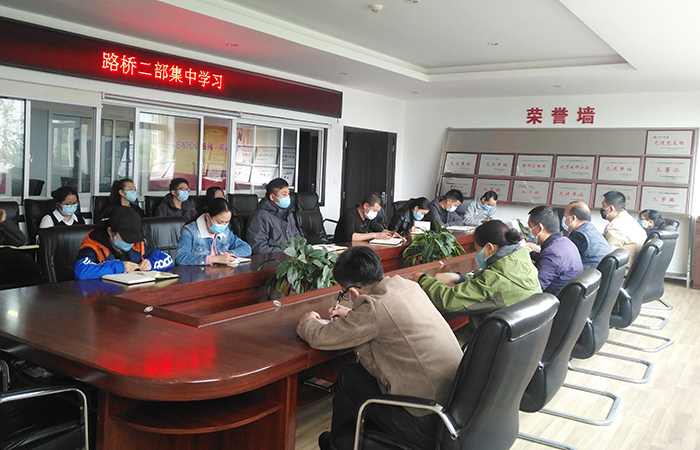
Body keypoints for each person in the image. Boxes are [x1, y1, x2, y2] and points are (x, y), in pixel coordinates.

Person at [297, 247, 462, 450]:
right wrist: (353, 314)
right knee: (354, 374)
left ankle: (340, 443)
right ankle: (344, 441)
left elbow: (320, 337)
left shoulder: (373, 309)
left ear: (353, 292)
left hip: (421, 421)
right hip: (450, 411)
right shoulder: (407, 286)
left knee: (349, 377)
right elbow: (386, 315)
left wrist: (307, 321)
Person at [409, 220, 541, 345]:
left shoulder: (495, 279)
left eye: (477, 249)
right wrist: (459, 277)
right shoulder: (523, 263)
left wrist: (422, 279)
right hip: (518, 342)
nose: (477, 253)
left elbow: (448, 301)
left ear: (489, 248)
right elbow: (489, 283)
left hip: (488, 345)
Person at [74, 206, 173, 280]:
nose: (130, 242)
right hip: (103, 294)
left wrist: (151, 263)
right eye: (125, 237)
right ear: (110, 232)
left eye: (133, 237)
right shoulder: (93, 245)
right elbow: (81, 271)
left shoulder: (137, 244)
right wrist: (119, 267)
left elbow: (167, 259)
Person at [176, 198, 251, 265]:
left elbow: (246, 248)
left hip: (222, 273)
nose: (223, 226)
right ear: (208, 217)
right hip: (198, 274)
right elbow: (181, 258)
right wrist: (214, 259)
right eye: (219, 222)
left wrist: (227, 255)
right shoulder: (190, 231)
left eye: (226, 222)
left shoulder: (225, 231)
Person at [527, 205, 583, 294]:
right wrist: (532, 253)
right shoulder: (566, 242)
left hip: (553, 299)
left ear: (540, 228)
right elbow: (548, 260)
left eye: (530, 227)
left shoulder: (552, 253)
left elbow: (534, 289)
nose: (529, 231)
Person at [246, 177, 301, 254]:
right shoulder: (260, 217)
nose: (288, 197)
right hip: (274, 258)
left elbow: (297, 237)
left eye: (288, 194)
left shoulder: (288, 214)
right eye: (284, 194)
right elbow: (258, 248)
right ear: (272, 197)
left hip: (291, 256)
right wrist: (286, 252)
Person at [333, 192, 403, 243]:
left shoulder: (368, 217)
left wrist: (392, 233)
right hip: (343, 248)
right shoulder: (349, 214)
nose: (375, 213)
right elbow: (351, 237)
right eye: (374, 210)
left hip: (358, 247)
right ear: (366, 206)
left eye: (377, 211)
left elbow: (380, 230)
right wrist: (374, 235)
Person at [601, 191, 647, 264]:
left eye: (603, 206)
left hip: (623, 269)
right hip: (631, 266)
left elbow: (608, 258)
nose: (602, 209)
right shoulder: (630, 221)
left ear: (611, 209)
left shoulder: (614, 227)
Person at [563, 201, 612, 270]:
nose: (564, 219)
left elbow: (564, 258)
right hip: (599, 273)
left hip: (590, 273)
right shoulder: (590, 229)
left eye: (565, 216)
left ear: (573, 218)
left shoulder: (579, 236)